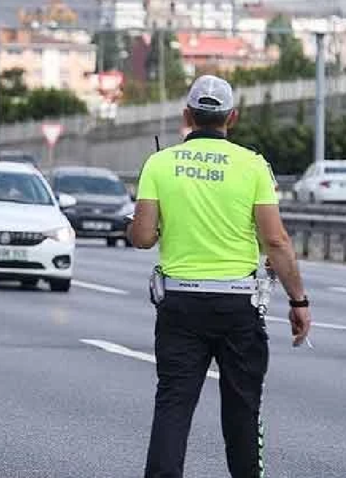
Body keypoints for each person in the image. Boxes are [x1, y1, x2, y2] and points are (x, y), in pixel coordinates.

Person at [129, 75, 312, 477]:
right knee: (242, 409)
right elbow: (276, 241)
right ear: (232, 117)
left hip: (180, 305)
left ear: (187, 115)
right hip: (238, 306)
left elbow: (142, 237)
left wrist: (150, 225)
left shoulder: (160, 163)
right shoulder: (253, 166)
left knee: (174, 404)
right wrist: (298, 300)